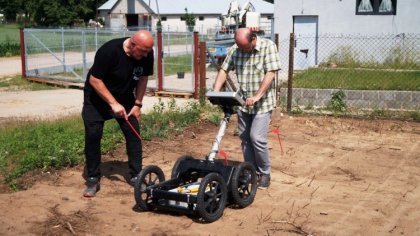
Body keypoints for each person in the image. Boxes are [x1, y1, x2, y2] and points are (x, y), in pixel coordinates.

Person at [82, 30, 154, 197]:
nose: (145, 56)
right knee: (93, 135)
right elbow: (94, 79)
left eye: (147, 52)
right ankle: (93, 178)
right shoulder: (109, 51)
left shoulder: (146, 53)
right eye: (142, 51)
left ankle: (136, 175)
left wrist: (137, 104)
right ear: (132, 44)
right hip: (97, 98)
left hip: (125, 96)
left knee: (133, 133)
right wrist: (113, 103)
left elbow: (143, 78)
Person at [213, 28, 281, 189]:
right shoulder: (235, 49)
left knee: (256, 137)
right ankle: (251, 170)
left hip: (262, 102)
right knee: (244, 138)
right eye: (239, 47)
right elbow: (224, 69)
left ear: (253, 39)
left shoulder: (268, 47)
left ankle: (265, 173)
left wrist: (257, 96)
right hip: (243, 102)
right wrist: (216, 90)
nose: (242, 50)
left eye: (245, 47)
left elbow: (271, 73)